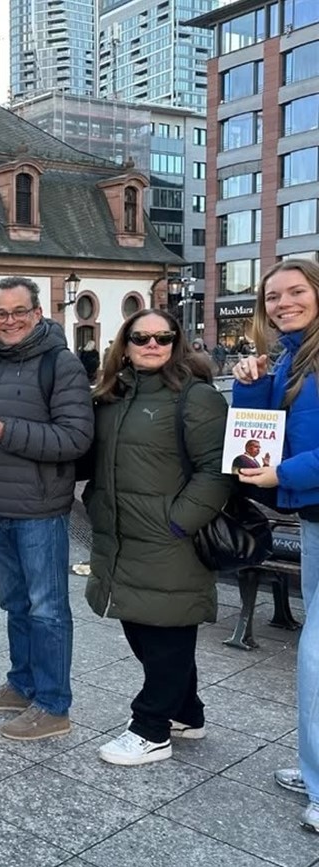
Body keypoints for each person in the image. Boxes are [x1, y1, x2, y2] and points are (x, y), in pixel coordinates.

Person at [82, 309, 228, 766]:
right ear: (124, 344)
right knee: (141, 627)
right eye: (140, 337)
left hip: (169, 538)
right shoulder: (111, 395)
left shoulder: (196, 397)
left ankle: (151, 728)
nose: (151, 345)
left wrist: (178, 522)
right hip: (122, 536)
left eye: (162, 337)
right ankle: (187, 712)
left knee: (167, 632)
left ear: (176, 342)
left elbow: (217, 472)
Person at [0, 276, 93, 740]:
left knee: (47, 608)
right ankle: (22, 684)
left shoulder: (61, 365)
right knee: (16, 603)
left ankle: (54, 704)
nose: (10, 321)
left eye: (19, 311)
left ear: (38, 314)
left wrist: (7, 431)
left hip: (39, 508)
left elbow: (76, 438)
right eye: (1, 313)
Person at [230, 258, 319, 832]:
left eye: (295, 291)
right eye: (272, 296)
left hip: (308, 497)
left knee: (316, 655)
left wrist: (282, 475)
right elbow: (253, 433)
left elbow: (280, 459)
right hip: (313, 515)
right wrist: (251, 383)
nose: (282, 302)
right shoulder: (290, 356)